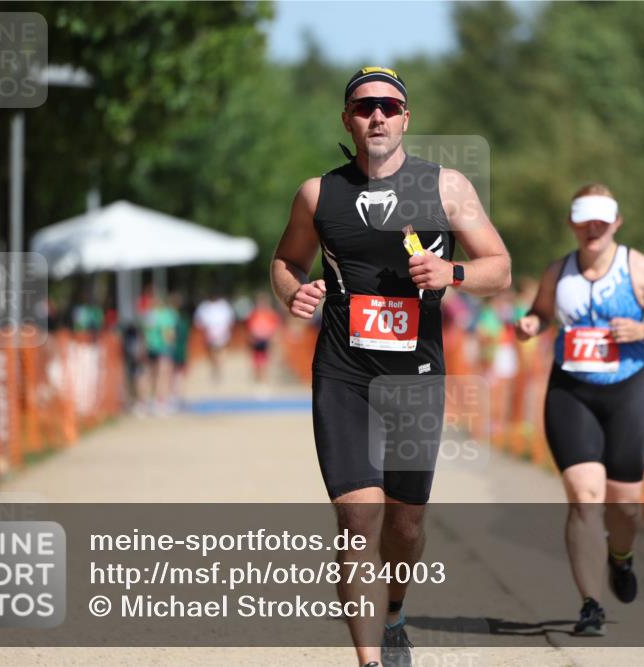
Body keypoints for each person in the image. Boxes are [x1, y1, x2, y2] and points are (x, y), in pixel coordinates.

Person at [271, 66, 511, 667]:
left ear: (407, 117)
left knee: (404, 525)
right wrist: (291, 291)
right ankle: (369, 660)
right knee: (359, 517)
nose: (376, 115)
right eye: (363, 106)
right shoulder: (318, 194)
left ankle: (396, 609)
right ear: (347, 119)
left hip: (415, 380)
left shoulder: (446, 187)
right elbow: (285, 259)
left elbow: (499, 268)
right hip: (343, 374)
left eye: (388, 105)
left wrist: (453, 273)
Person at [515, 184, 644, 636]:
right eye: (584, 219)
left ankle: (621, 557)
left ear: (616, 223)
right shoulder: (559, 271)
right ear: (573, 223)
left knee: (625, 508)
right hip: (571, 391)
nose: (592, 228)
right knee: (585, 496)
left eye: (601, 220)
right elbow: (541, 312)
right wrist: (531, 323)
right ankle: (590, 604)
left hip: (627, 390)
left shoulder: (638, 267)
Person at [193, 292, 235, 383]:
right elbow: (198, 321)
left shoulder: (223, 306)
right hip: (210, 335)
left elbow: (230, 320)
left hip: (222, 335)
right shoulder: (204, 307)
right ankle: (215, 367)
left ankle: (218, 369)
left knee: (220, 354)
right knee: (212, 355)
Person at [246, 292, 282, 384]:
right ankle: (258, 377)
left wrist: (275, 338)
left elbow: (276, 327)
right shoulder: (253, 314)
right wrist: (250, 338)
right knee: (256, 359)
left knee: (265, 359)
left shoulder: (271, 314)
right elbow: (249, 327)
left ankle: (264, 377)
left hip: (266, 339)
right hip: (256, 340)